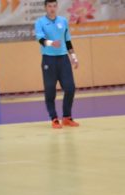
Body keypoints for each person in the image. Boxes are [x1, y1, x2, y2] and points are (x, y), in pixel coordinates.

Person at [35, 0, 80, 129]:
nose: (52, 8)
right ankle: (54, 118)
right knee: (50, 90)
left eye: (54, 6)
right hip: (48, 60)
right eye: (49, 6)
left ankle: (67, 117)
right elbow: (40, 39)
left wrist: (73, 57)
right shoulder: (40, 22)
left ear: (57, 7)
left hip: (63, 59)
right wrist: (51, 43)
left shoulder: (63, 21)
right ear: (45, 7)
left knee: (70, 88)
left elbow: (68, 41)